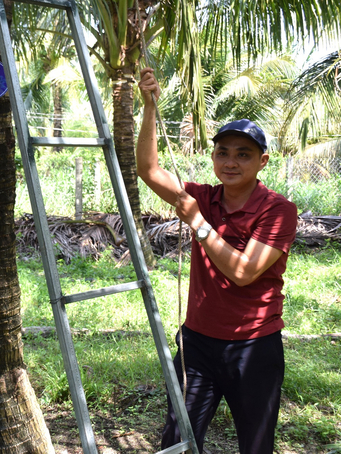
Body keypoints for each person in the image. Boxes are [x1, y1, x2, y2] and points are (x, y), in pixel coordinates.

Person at [136, 68, 298, 454]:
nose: (230, 162)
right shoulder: (204, 196)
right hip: (197, 344)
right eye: (222, 152)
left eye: (243, 154)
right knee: (176, 442)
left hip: (253, 348)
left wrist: (198, 223)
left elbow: (242, 272)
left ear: (263, 161)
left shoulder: (278, 210)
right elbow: (149, 170)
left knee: (255, 447)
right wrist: (148, 107)